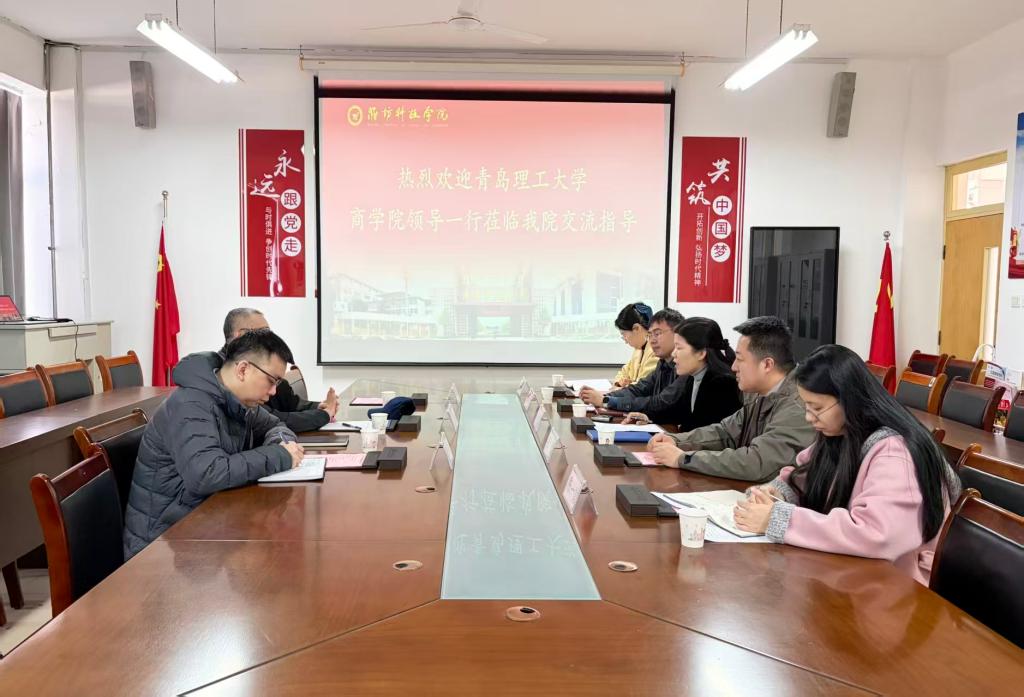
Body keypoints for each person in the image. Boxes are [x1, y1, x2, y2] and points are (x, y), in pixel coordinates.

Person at [733, 344, 961, 585]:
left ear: (849, 400)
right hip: (854, 573)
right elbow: (803, 475)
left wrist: (778, 519)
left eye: (817, 408)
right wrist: (775, 492)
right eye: (806, 406)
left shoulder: (895, 452)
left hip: (900, 585)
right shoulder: (841, 432)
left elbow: (876, 535)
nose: (809, 417)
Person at [123, 329, 304, 558]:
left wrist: (284, 445)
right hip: (162, 546)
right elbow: (206, 474)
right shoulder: (190, 405)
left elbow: (276, 425)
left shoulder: (238, 401)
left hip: (205, 526)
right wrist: (280, 455)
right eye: (271, 380)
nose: (273, 391)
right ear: (243, 369)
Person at [648, 315, 815, 481]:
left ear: (767, 365)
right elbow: (726, 432)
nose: (734, 367)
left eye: (740, 359)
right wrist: (676, 440)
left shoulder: (800, 406)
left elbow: (756, 463)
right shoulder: (758, 393)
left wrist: (684, 459)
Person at [223, 307, 338, 432]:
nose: (270, 339)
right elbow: (271, 420)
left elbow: (285, 403)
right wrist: (324, 414)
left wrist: (320, 407)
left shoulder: (263, 367)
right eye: (263, 333)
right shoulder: (226, 374)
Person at [624, 317, 742, 432]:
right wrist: (648, 417)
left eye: (679, 348)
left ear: (701, 353)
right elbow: (679, 413)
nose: (674, 354)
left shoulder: (721, 385)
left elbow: (704, 433)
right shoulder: (693, 377)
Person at [580, 308, 687, 424]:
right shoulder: (662, 363)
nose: (652, 340)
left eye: (657, 334)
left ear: (677, 334)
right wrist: (605, 397)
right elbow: (638, 389)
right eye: (650, 335)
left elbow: (661, 402)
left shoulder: (685, 367)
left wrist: (606, 401)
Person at [612, 302, 659, 388]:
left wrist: (626, 385)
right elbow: (623, 372)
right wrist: (620, 383)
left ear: (637, 328)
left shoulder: (656, 351)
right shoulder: (639, 350)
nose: (625, 341)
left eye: (624, 334)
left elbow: (643, 387)